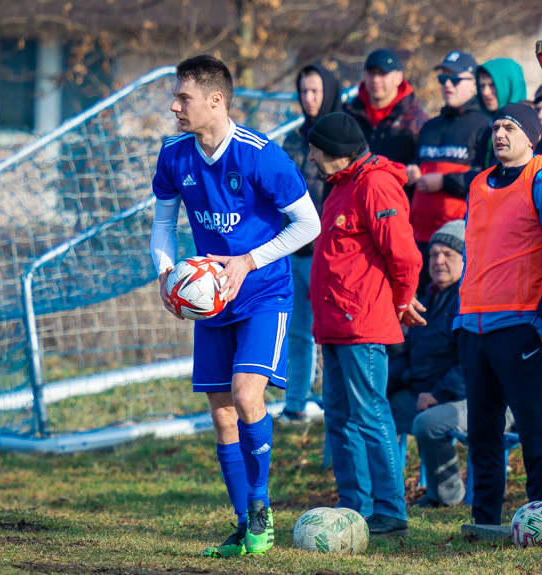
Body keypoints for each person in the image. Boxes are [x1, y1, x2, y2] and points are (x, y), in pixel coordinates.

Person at [150, 55, 320, 558]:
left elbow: (307, 223)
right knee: (222, 416)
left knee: (248, 397)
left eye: (183, 97)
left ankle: (263, 509)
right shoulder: (173, 155)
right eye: (176, 96)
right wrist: (165, 273)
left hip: (264, 292)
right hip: (210, 301)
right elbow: (163, 222)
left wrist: (247, 261)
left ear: (215, 100)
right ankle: (245, 524)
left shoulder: (262, 155)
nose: (175, 105)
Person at [308, 112, 424, 537]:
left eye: (316, 148)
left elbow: (405, 255)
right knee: (338, 416)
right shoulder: (339, 187)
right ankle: (354, 506)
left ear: (336, 153)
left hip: (363, 325)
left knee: (370, 413)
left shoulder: (375, 185)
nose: (312, 156)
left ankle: (391, 510)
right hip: (334, 324)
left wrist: (402, 300)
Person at [456, 103, 542, 525]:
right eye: (496, 127)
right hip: (473, 327)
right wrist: (460, 322)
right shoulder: (479, 182)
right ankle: (485, 521)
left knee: (534, 429)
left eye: (510, 128)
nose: (500, 134)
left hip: (521, 327)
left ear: (532, 136)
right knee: (483, 434)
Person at [279, 62, 341, 424]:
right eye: (303, 91)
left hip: (330, 254)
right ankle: (296, 403)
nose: (309, 98)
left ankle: (335, 401)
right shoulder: (292, 139)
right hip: (297, 252)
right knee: (299, 331)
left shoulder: (342, 138)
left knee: (331, 332)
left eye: (316, 90)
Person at [388, 219, 467, 507]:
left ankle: (446, 497)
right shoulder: (427, 298)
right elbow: (406, 354)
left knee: (428, 423)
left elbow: (470, 365)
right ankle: (386, 496)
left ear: (465, 260)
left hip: (461, 397)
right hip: (421, 392)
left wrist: (437, 394)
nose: (439, 260)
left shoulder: (467, 299)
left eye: (448, 254)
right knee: (373, 413)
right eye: (433, 254)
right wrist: (382, 388)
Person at [407, 51, 490, 294]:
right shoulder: (429, 126)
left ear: (473, 84)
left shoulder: (484, 126)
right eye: (443, 80)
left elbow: (486, 177)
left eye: (455, 79)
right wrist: (411, 171)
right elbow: (417, 162)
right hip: (421, 236)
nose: (447, 85)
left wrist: (444, 181)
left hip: (459, 238)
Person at [344, 48, 427, 170]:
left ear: (398, 77)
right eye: (371, 73)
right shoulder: (349, 117)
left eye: (382, 73)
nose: (376, 80)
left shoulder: (416, 121)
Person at [475, 58, 527, 168]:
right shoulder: (488, 129)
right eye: (482, 86)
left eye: (492, 85)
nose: (485, 92)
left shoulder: (528, 126)